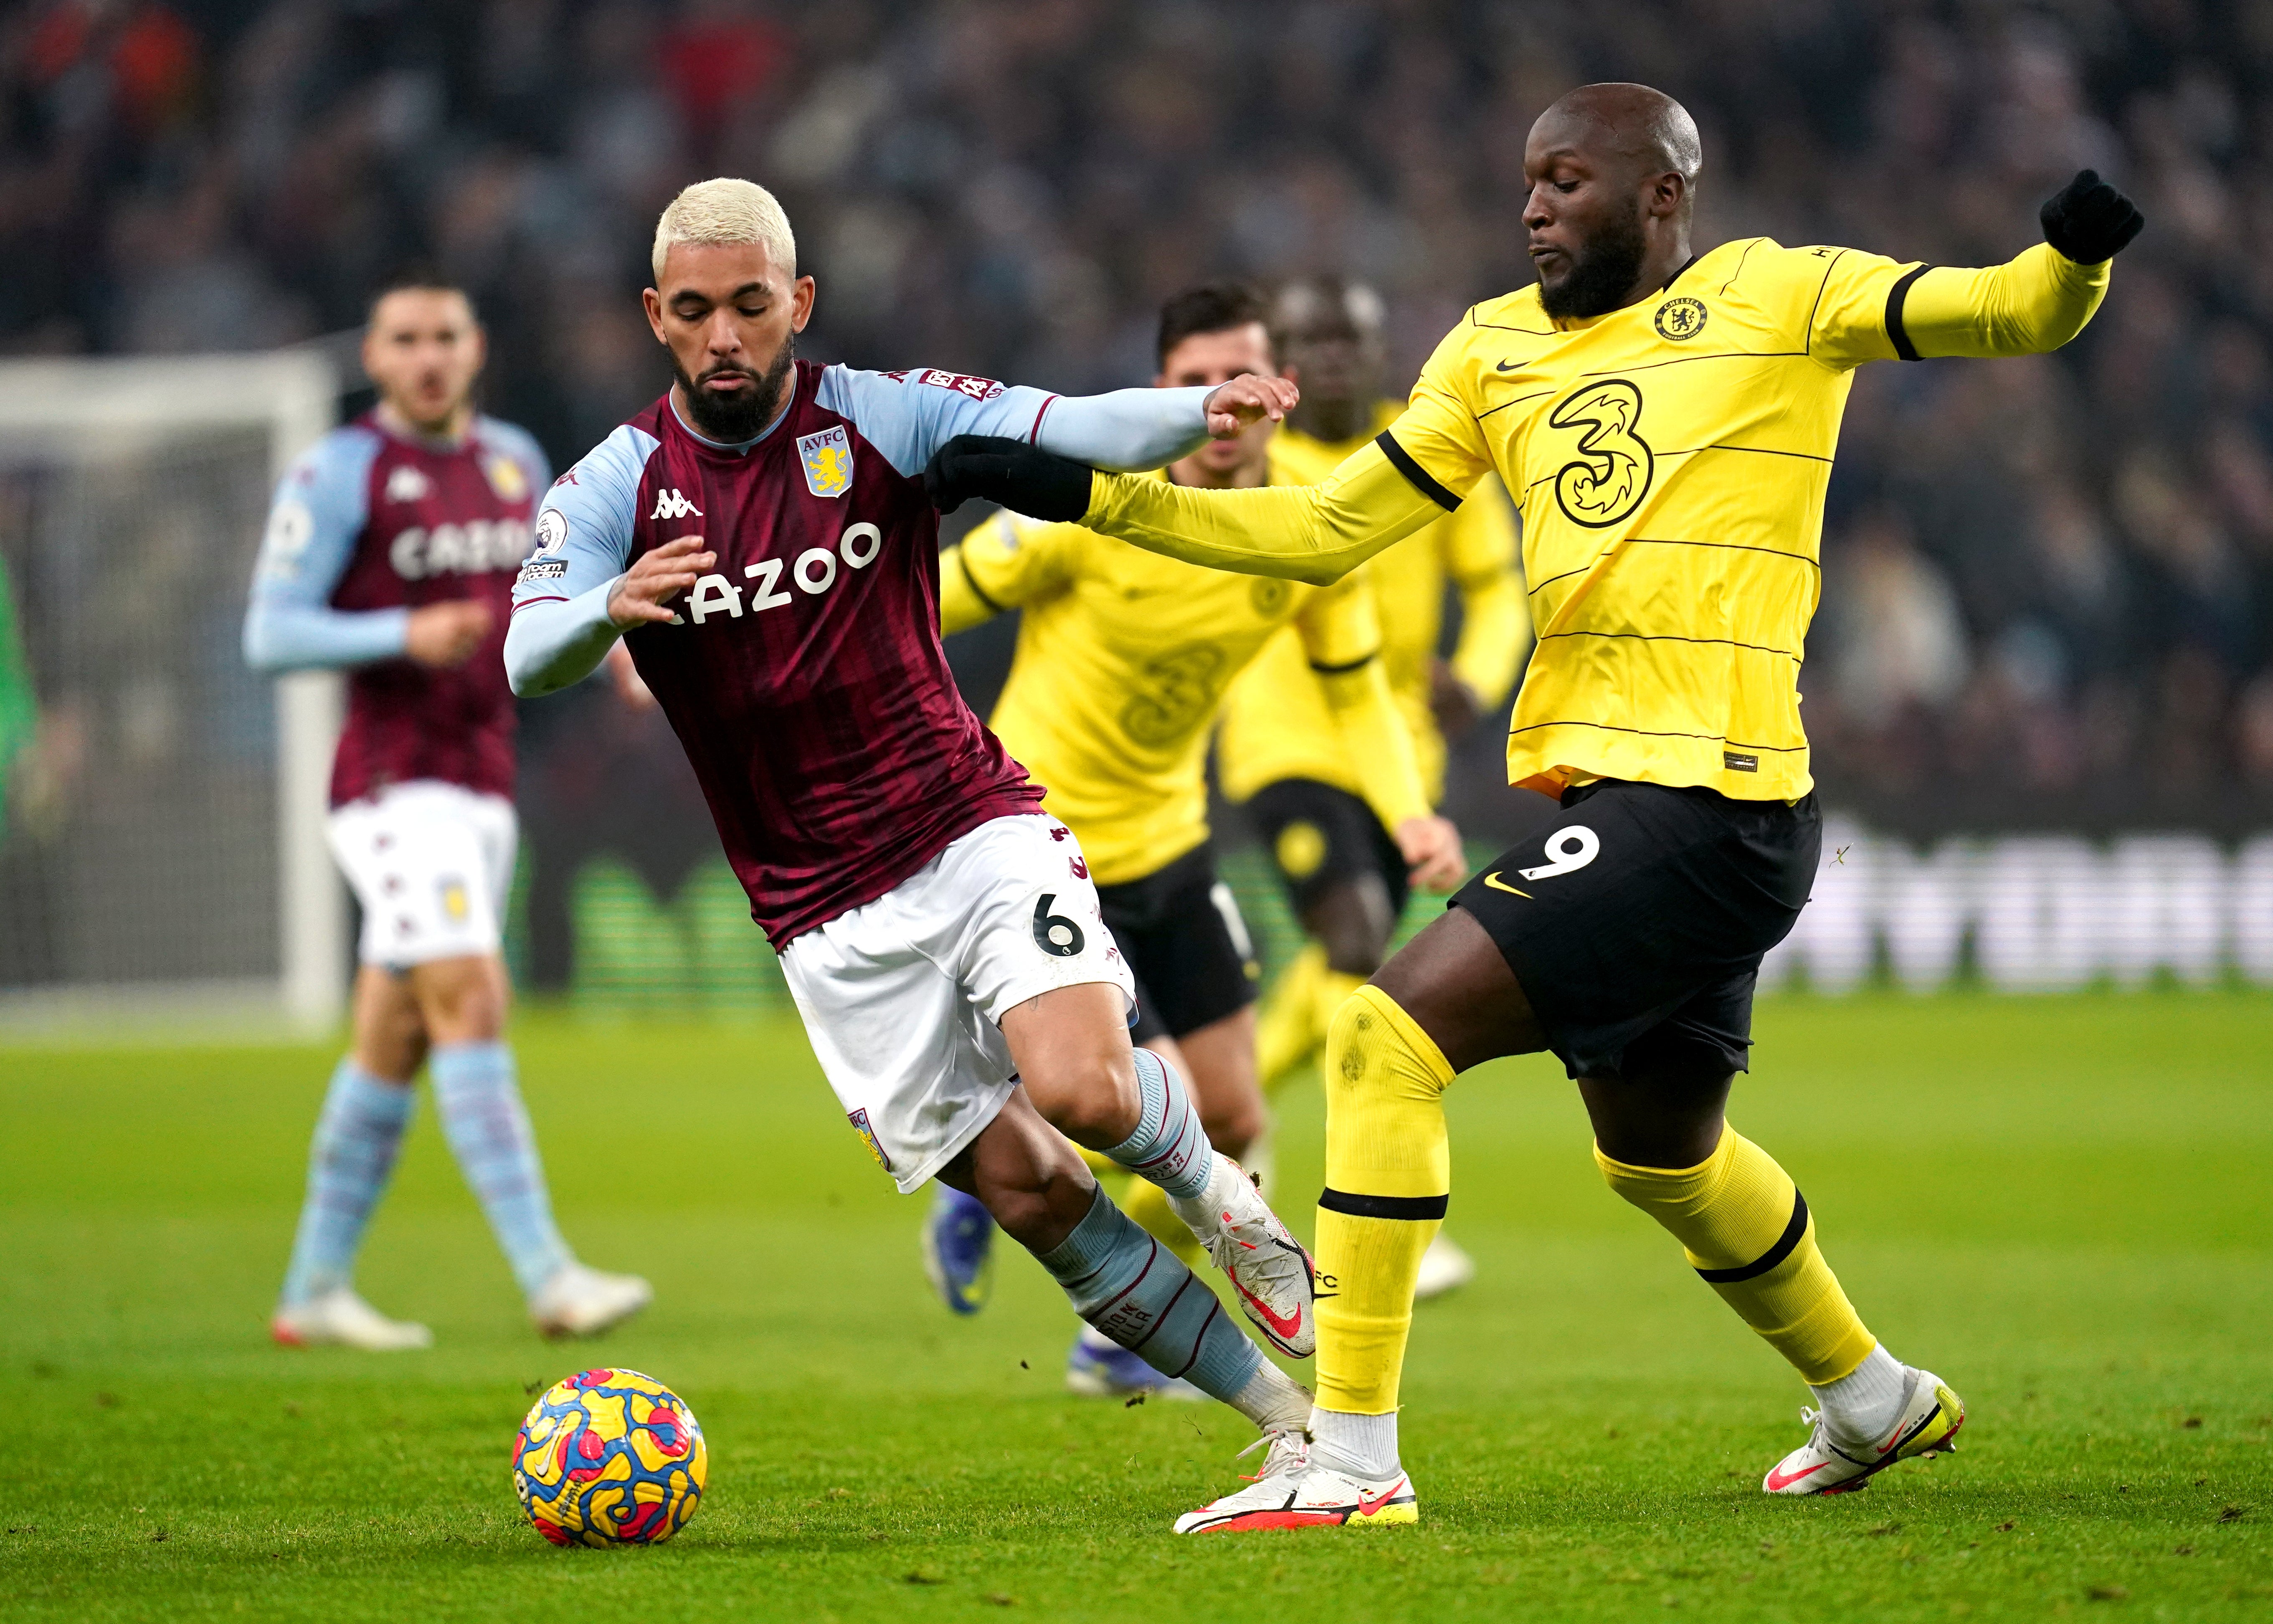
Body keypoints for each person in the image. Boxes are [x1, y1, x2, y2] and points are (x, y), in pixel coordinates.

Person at [925, 85, 2144, 1530]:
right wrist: (1094, 496)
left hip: (1711, 799)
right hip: (1649, 802)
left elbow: (2011, 312)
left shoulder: (1784, 295)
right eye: (1527, 181)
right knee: (1662, 1157)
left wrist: (2073, 257)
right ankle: (1876, 1398)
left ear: (1666, 193)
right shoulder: (1491, 348)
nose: (1535, 206)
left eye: (1568, 180)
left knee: (1384, 1040)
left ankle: (1353, 1462)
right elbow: (1319, 531)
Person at [503, 179, 1318, 1451]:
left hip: (964, 826)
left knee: (1087, 1092)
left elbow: (1071, 423)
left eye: (754, 307)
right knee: (1032, 1191)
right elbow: (525, 654)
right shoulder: (613, 486)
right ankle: (1288, 1423)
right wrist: (604, 612)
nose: (728, 338)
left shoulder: (884, 415)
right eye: (700, 312)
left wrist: (1193, 411)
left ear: (799, 302)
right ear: (656, 316)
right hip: (817, 913)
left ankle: (1222, 1196)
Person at [924, 284, 1463, 1396]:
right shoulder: (1093, 507)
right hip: (1042, 844)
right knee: (1141, 1093)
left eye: (1241, 383)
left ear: (1280, 393)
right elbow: (925, 597)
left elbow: (1356, 692)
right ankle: (1019, 1188)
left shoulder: (1311, 526)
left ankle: (1101, 1320)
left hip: (1171, 840)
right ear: (1156, 396)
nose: (1222, 409)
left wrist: (1406, 807)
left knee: (1233, 1111)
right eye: (1191, 386)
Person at [244, 273, 653, 1349]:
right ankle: (548, 1275)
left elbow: (556, 589)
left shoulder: (515, 461)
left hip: (479, 780)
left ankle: (314, 1288)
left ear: (476, 350)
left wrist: (611, 655)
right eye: (405, 340)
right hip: (390, 785)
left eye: (446, 337)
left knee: (392, 1034)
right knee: (472, 991)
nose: (427, 357)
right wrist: (397, 635)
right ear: (374, 360)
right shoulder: (342, 471)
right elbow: (271, 633)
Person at [1220, 277, 1531, 1301]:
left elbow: (1496, 592)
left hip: (1401, 757)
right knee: (1358, 947)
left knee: (1338, 971)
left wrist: (1476, 683)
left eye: (1347, 336)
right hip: (1284, 738)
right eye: (1307, 338)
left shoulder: (1431, 452)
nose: (1332, 356)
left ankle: (1177, 1133)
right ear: (1278, 353)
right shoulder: (1261, 461)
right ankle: (1369, 1214)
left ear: (1377, 343)